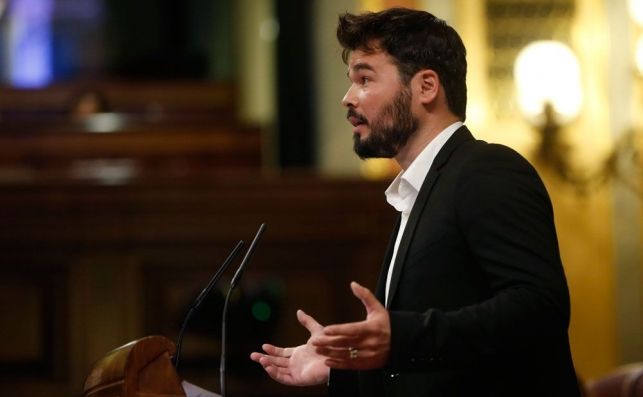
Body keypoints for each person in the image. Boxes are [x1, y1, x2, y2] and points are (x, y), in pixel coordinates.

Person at [250, 8, 581, 397]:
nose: (347, 98)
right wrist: (343, 363)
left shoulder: (487, 169)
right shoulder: (420, 192)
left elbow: (539, 308)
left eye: (365, 78)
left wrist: (401, 336)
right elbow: (426, 364)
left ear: (426, 87)